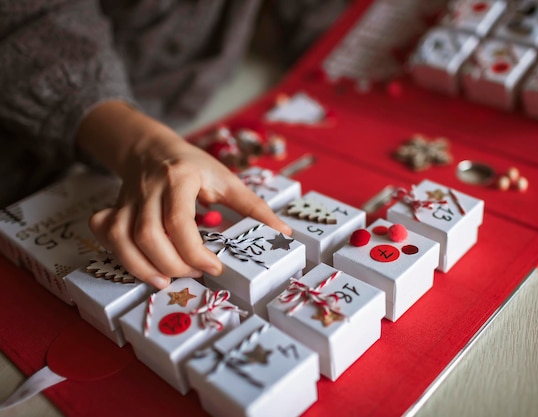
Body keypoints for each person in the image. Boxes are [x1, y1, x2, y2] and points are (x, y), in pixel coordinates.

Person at [0, 0, 349, 289]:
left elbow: (316, 19)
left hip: (184, 113)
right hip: (21, 149)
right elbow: (24, 18)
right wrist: (142, 144)